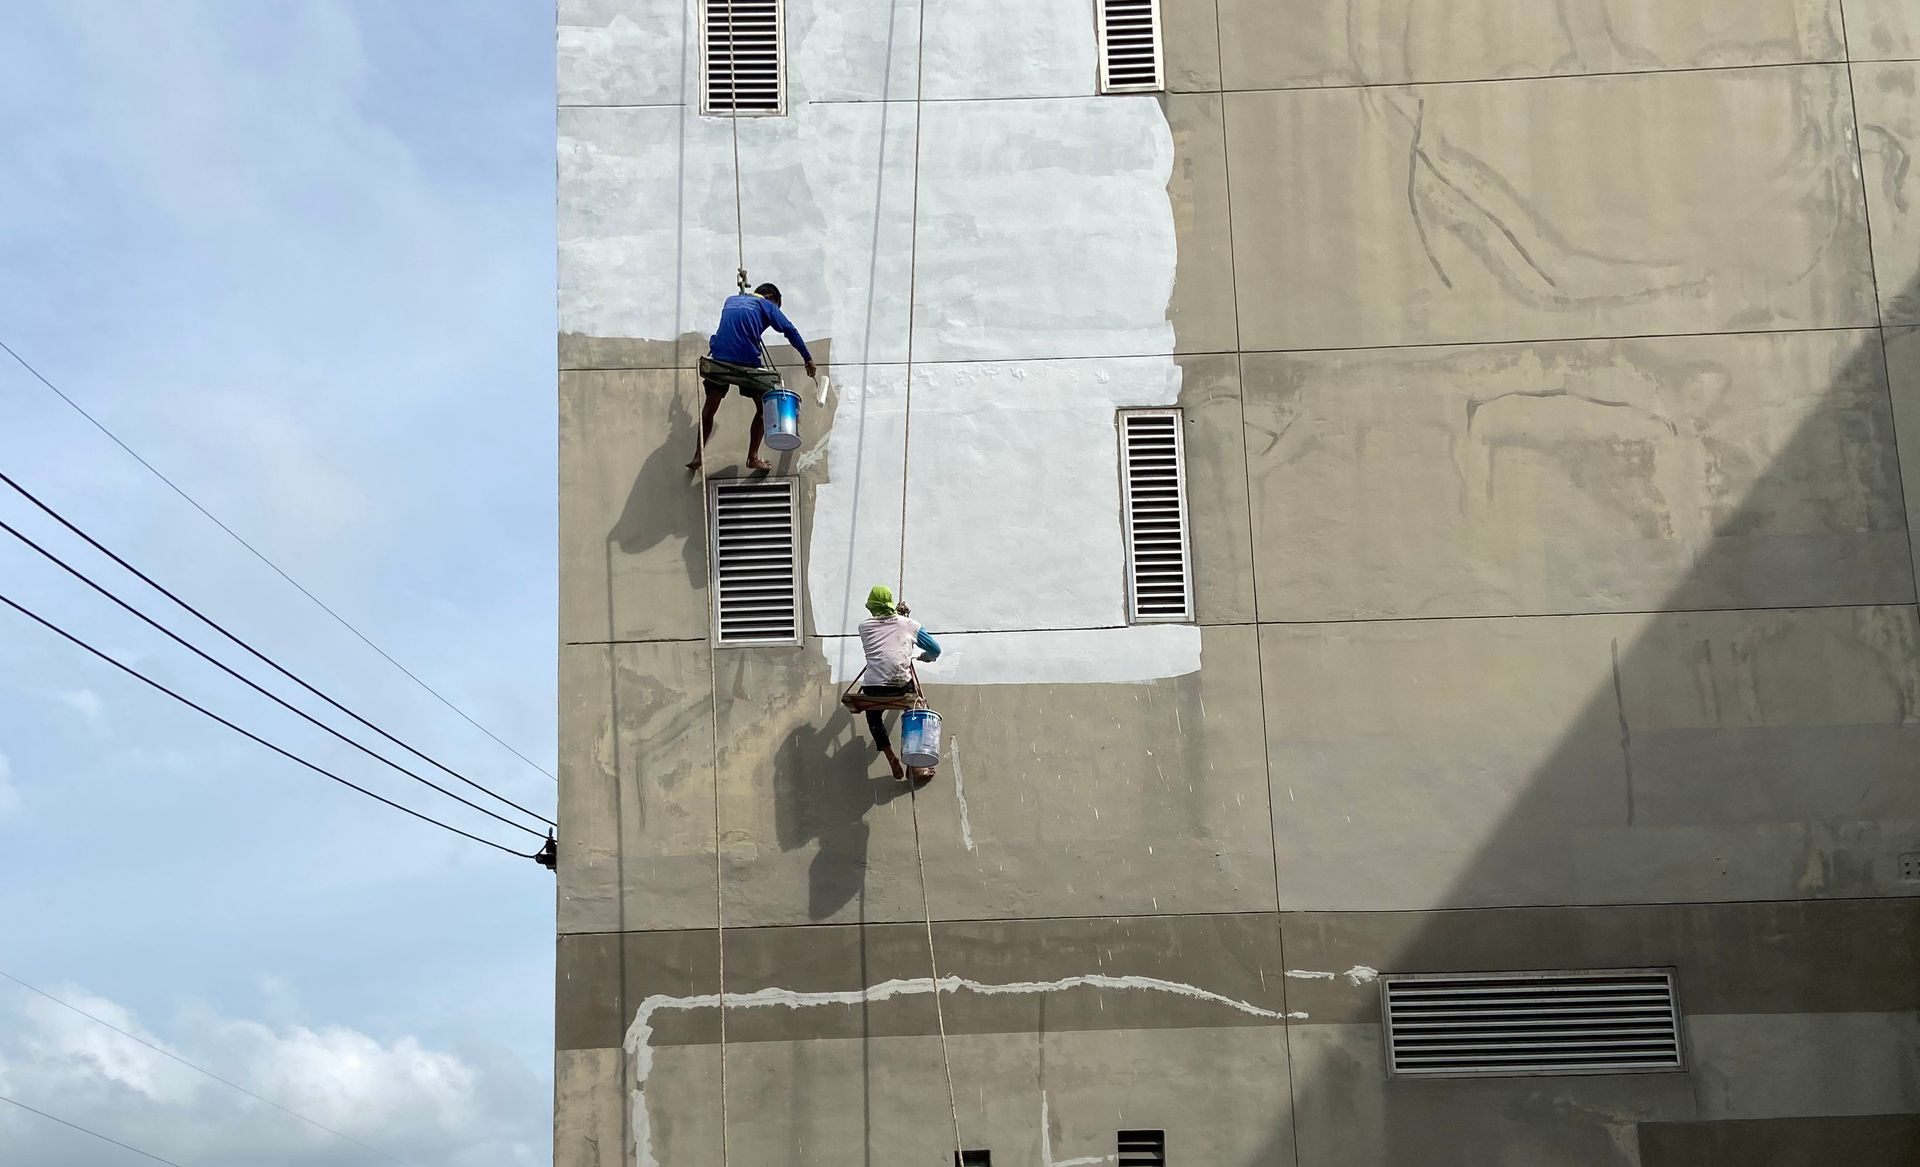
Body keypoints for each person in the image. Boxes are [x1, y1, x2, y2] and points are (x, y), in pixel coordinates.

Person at [688, 283, 818, 472]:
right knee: (765, 408)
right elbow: (790, 330)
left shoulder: (731, 300)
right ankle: (753, 457)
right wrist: (807, 358)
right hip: (746, 361)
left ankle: (698, 455)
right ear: (771, 297)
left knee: (709, 409)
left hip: (719, 360)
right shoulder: (767, 305)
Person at [856, 584, 940, 782]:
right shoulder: (909, 624)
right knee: (917, 709)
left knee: (873, 716)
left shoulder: (864, 627)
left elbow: (887, 629)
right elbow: (935, 649)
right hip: (900, 685)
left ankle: (890, 757)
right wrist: (926, 657)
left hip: (873, 687)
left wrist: (898, 616)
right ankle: (916, 764)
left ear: (871, 607)